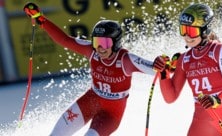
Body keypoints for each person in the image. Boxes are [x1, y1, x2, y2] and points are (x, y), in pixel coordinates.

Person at [23, 2, 165, 136]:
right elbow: (64, 40)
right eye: (97, 42)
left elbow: (157, 69)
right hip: (90, 101)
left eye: (105, 43)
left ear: (116, 43)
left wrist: (162, 64)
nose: (100, 48)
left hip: (110, 115)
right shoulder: (91, 50)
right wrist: (40, 19)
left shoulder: (126, 60)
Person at [154, 3, 222, 136]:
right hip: (201, 120)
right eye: (183, 30)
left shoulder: (220, 51)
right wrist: (163, 72)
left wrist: (216, 100)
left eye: (192, 31)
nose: (187, 36)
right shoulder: (184, 59)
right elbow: (170, 97)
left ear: (205, 30)